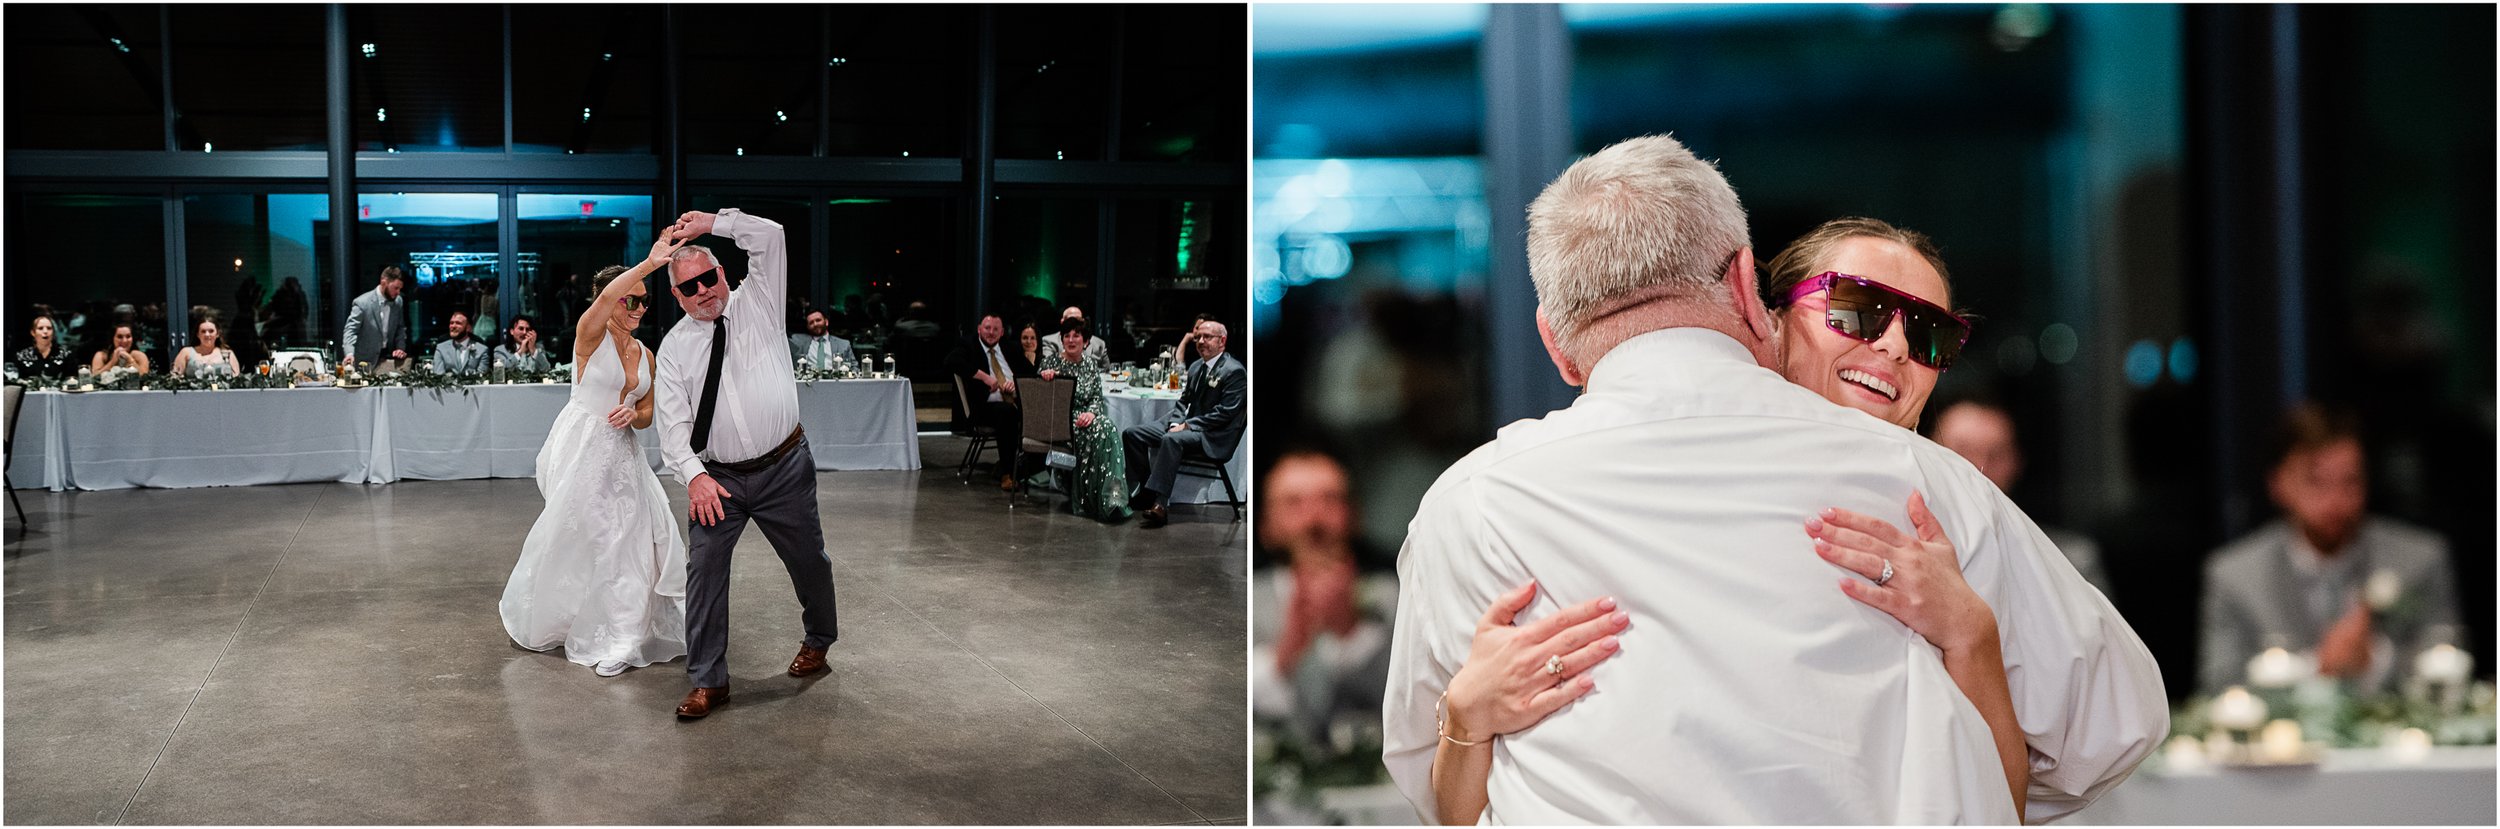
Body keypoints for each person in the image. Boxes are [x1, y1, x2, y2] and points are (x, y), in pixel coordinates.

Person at [1381, 135, 2164, 824]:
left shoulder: (1476, 502)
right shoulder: (1924, 481)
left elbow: (1444, 802)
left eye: (1928, 333)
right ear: (1761, 299)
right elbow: (2108, 729)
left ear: (1555, 342)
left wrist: (1974, 639)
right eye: (1856, 307)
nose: (1891, 349)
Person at [654, 208, 842, 720]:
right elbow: (670, 427)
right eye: (688, 288)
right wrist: (694, 478)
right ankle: (709, 681)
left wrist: (713, 223)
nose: (703, 292)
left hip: (785, 467)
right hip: (719, 480)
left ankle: (820, 638)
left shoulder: (759, 299)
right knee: (705, 571)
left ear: (722, 273)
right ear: (677, 296)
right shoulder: (672, 350)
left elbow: (772, 233)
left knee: (809, 560)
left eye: (708, 278)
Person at [501, 236, 689, 678]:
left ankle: (623, 634)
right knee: (590, 538)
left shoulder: (646, 354)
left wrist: (633, 412)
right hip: (582, 447)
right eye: (633, 301)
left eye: (646, 303)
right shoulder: (591, 335)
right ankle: (581, 619)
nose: (641, 309)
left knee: (636, 539)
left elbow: (647, 413)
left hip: (623, 455)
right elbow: (606, 296)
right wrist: (649, 263)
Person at [2199, 403, 2459, 694]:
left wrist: (2376, 659)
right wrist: (2317, 667)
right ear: (2277, 485)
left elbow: (2452, 668)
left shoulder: (2421, 558)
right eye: (2316, 482)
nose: (2335, 500)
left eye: (2350, 481)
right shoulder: (2235, 574)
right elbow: (2218, 688)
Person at [1930, 396, 2115, 598]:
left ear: (2017, 463)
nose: (1978, 468)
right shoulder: (1901, 551)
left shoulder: (2069, 563)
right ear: (1926, 453)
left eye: (1995, 455)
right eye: (1962, 452)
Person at [1121, 319, 1243, 529]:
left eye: (1207, 337)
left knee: (1172, 439)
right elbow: (1183, 401)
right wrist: (1176, 421)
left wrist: (1187, 426)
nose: (1201, 341)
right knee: (1132, 434)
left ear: (1222, 341)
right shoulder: (1196, 366)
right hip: (1186, 423)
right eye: (1198, 337)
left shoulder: (1234, 371)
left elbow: (1225, 413)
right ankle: (1143, 492)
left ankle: (1160, 504)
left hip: (1213, 433)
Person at [1035, 320, 1129, 522]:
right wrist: (1045, 380)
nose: (1071, 339)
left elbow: (1096, 397)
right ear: (1061, 340)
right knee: (1099, 432)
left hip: (1085, 417)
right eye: (1066, 335)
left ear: (1085, 342)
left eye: (1076, 335)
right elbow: (1038, 400)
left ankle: (1113, 497)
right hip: (1060, 421)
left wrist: (1092, 413)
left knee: (1108, 428)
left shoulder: (1090, 364)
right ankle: (1090, 500)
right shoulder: (1050, 363)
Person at [946, 313, 1037, 491]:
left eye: (996, 329)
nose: (991, 332)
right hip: (983, 408)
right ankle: (1007, 473)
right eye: (987, 328)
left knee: (1037, 414)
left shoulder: (1011, 348)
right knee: (1007, 413)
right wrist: (984, 377)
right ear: (980, 329)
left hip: (1016, 404)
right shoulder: (968, 345)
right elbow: (951, 361)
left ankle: (1035, 470)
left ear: (1002, 332)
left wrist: (1016, 387)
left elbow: (1031, 375)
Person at [344, 265, 411, 370]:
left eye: (400, 289)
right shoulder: (362, 303)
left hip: (388, 359)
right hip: (364, 362)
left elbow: (400, 328)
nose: (398, 292)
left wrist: (400, 348)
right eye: (395, 288)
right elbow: (350, 331)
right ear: (384, 282)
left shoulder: (398, 301)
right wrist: (349, 353)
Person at [170, 316, 241, 378]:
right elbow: (175, 377)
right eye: (203, 331)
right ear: (198, 334)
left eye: (211, 331)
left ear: (218, 334)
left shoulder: (227, 353)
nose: (207, 334)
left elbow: (236, 379)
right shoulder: (186, 352)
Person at [787, 309, 856, 371]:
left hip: (836, 382)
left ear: (826, 322)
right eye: (811, 322)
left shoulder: (843, 344)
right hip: (808, 383)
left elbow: (854, 367)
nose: (815, 324)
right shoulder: (798, 341)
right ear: (807, 327)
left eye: (818, 320)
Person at [12, 314, 76, 380]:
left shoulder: (66, 354)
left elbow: (73, 380)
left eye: (49, 328)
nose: (45, 331)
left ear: (53, 332)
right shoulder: (22, 356)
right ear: (33, 332)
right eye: (40, 328)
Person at [1040, 306, 1110, 364]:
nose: (1074, 324)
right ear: (1062, 322)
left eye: (1078, 321)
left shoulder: (1099, 344)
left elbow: (1107, 371)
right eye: (1071, 321)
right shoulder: (1048, 341)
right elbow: (1048, 365)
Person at [431, 310, 490, 375]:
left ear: (468, 328)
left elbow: (481, 378)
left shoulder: (482, 350)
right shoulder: (441, 348)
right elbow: (438, 376)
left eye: (458, 323)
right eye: (451, 323)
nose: (453, 326)